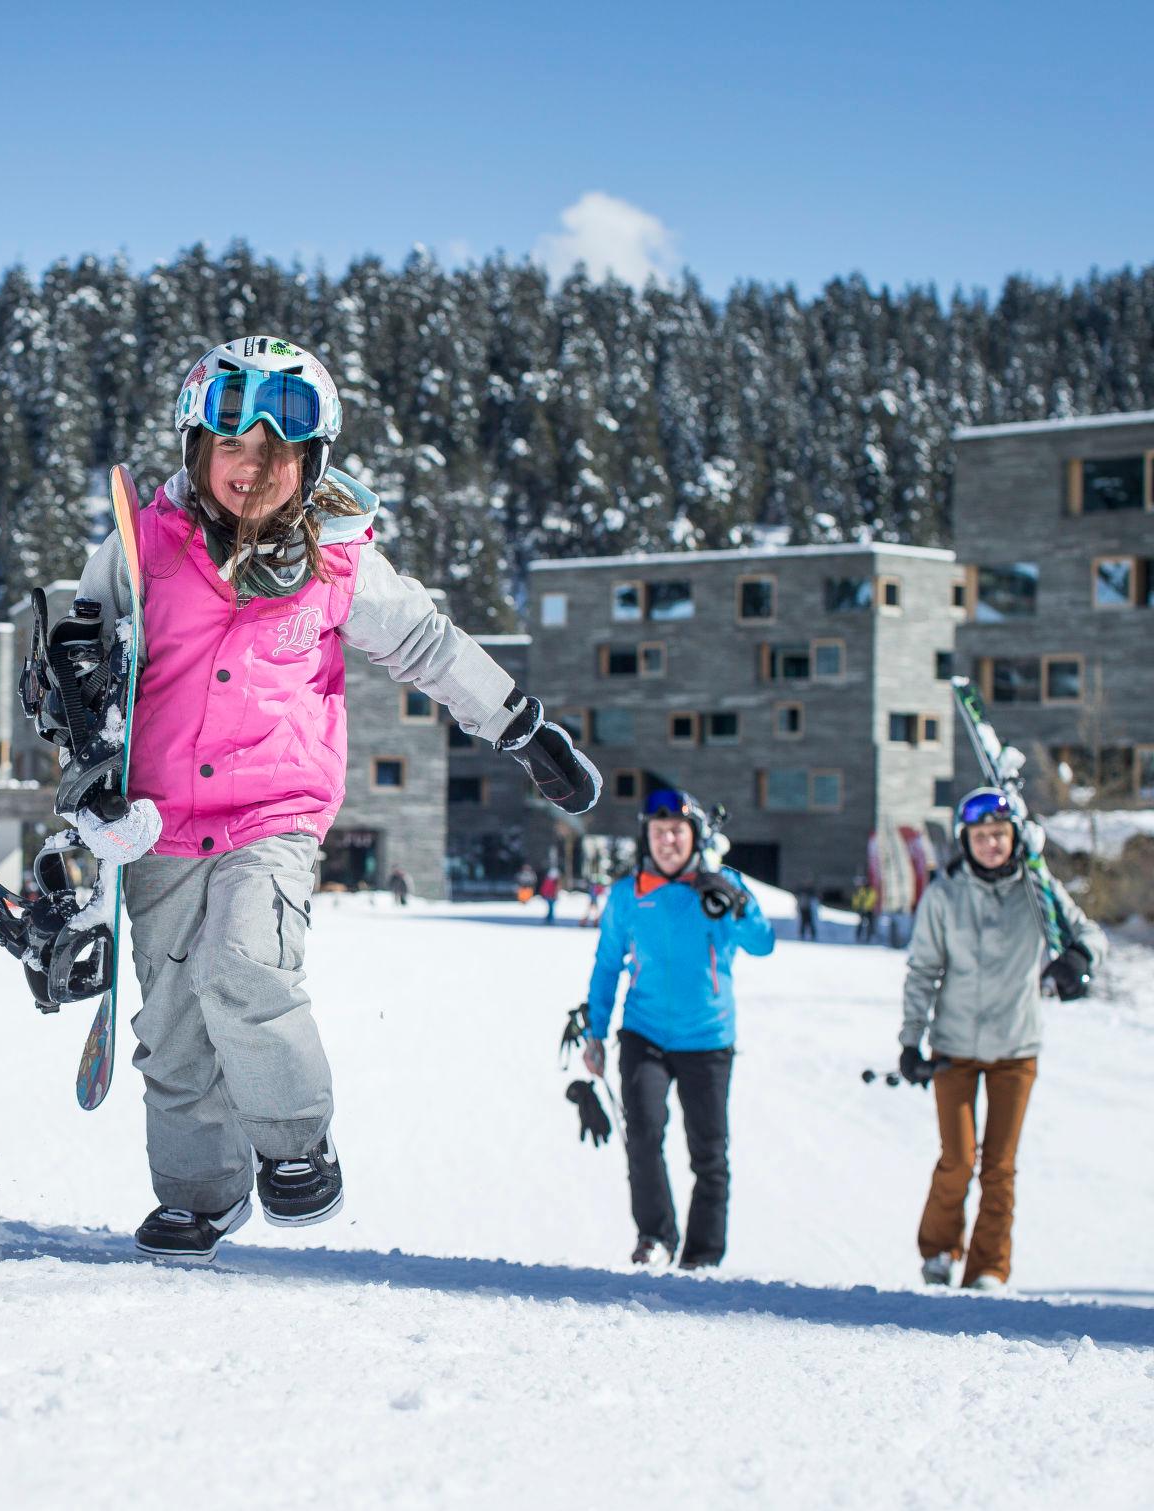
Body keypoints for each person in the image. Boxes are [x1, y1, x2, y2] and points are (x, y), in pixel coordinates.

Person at [58, 336, 600, 1260]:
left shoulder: (339, 564)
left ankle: (297, 1144)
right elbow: (78, 663)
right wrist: (82, 756)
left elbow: (428, 646)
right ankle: (200, 1194)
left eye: (277, 454)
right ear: (197, 451)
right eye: (232, 447)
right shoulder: (142, 547)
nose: (252, 468)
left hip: (273, 816)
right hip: (156, 824)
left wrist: (521, 727)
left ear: (312, 466)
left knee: (245, 967)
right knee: (174, 1027)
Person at [897, 787, 1106, 1291]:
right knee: (959, 1159)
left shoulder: (1038, 890)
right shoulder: (945, 893)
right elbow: (922, 970)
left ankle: (989, 1267)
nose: (991, 844)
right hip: (955, 1047)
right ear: (964, 840)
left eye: (1000, 835)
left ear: (1016, 839)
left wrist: (1077, 961)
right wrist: (910, 1041)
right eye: (981, 836)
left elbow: (1090, 935)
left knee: (1000, 1166)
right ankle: (939, 1250)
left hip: (1016, 1047)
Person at [579, 790, 774, 1269]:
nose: (667, 841)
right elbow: (607, 967)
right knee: (643, 1134)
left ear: (695, 837)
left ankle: (702, 1256)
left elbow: (763, 944)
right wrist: (596, 1032)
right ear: (646, 838)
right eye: (658, 832)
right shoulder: (627, 895)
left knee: (709, 1154)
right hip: (644, 1034)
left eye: (677, 832)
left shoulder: (720, 887)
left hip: (708, 1039)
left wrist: (741, 903)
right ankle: (656, 1235)